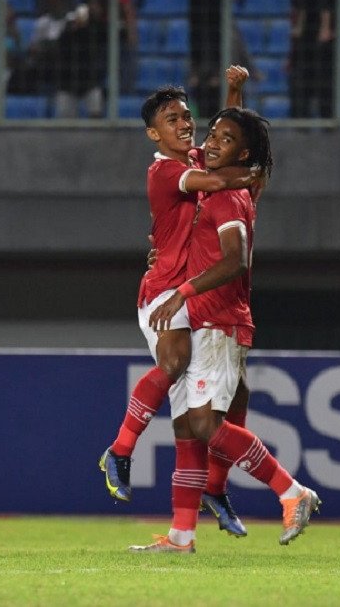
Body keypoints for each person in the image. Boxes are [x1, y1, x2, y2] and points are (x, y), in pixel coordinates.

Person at [133, 107, 319, 554]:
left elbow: (235, 259)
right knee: (185, 428)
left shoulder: (225, 197)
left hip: (217, 321)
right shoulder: (217, 187)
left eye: (225, 138)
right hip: (202, 320)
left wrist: (183, 291)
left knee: (203, 423)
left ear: (244, 151)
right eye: (211, 134)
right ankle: (181, 537)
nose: (212, 142)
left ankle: (292, 492)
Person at [100, 68, 258, 537]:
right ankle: (121, 449)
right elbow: (214, 180)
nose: (185, 124)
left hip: (189, 296)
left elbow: (222, 138)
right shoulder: (167, 170)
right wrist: (253, 169)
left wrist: (233, 93)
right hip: (164, 293)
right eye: (173, 119)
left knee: (204, 415)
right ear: (153, 133)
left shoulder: (193, 155)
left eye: (187, 115)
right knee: (175, 361)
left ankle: (191, 520)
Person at [288, 0, 336, 118]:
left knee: (325, 89)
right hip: (305, 39)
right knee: (301, 89)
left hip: (323, 42)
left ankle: (329, 125)